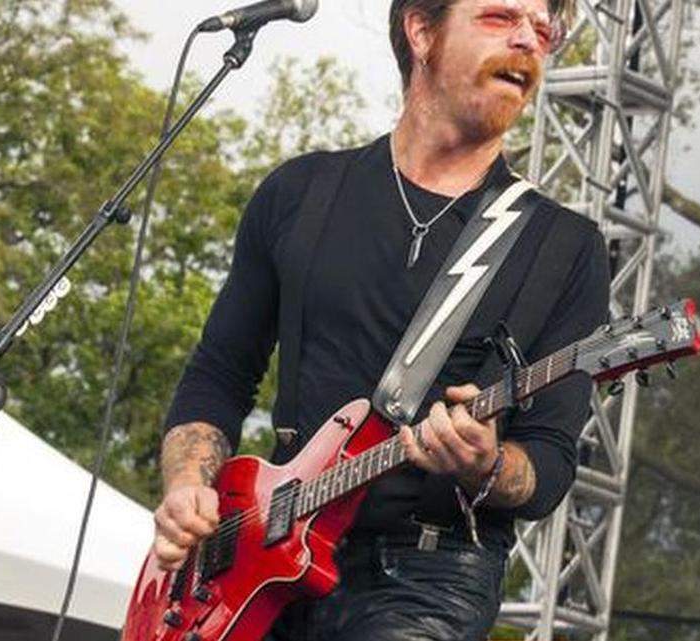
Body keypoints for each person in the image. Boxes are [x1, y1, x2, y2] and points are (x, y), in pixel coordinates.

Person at [151, 0, 609, 638]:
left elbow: (549, 466)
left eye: (541, 27)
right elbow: (219, 375)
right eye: (501, 17)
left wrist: (486, 463)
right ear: (421, 31)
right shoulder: (301, 193)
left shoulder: (561, 247)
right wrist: (186, 487)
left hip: (429, 579)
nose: (529, 40)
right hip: (255, 562)